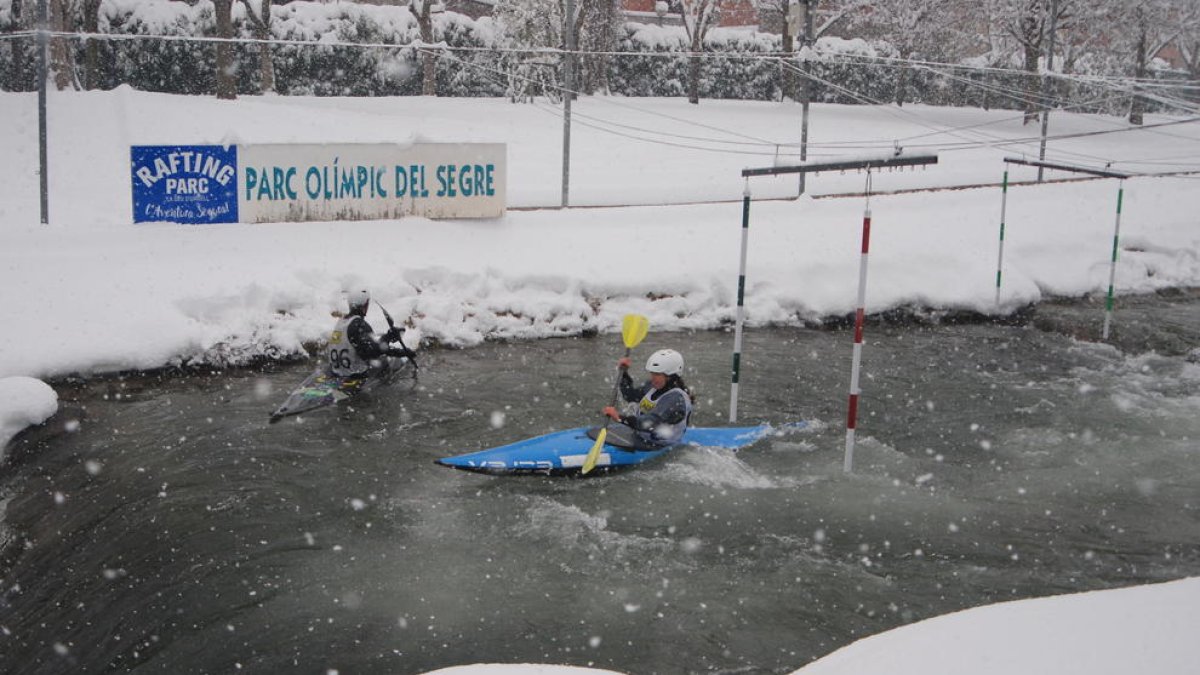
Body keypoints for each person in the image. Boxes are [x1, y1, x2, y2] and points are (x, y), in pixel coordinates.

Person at [602, 348, 693, 448]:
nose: (653, 377)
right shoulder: (653, 386)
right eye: (652, 373)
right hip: (642, 437)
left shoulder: (675, 399)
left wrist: (620, 418)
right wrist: (624, 374)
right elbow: (630, 395)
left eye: (657, 374)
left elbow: (649, 423)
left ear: (671, 376)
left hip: (659, 444)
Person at [327, 288, 416, 377]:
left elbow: (363, 346)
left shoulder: (341, 322)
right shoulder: (359, 324)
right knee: (390, 362)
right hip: (355, 374)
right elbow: (372, 352)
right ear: (365, 305)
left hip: (337, 371)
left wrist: (387, 339)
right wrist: (399, 350)